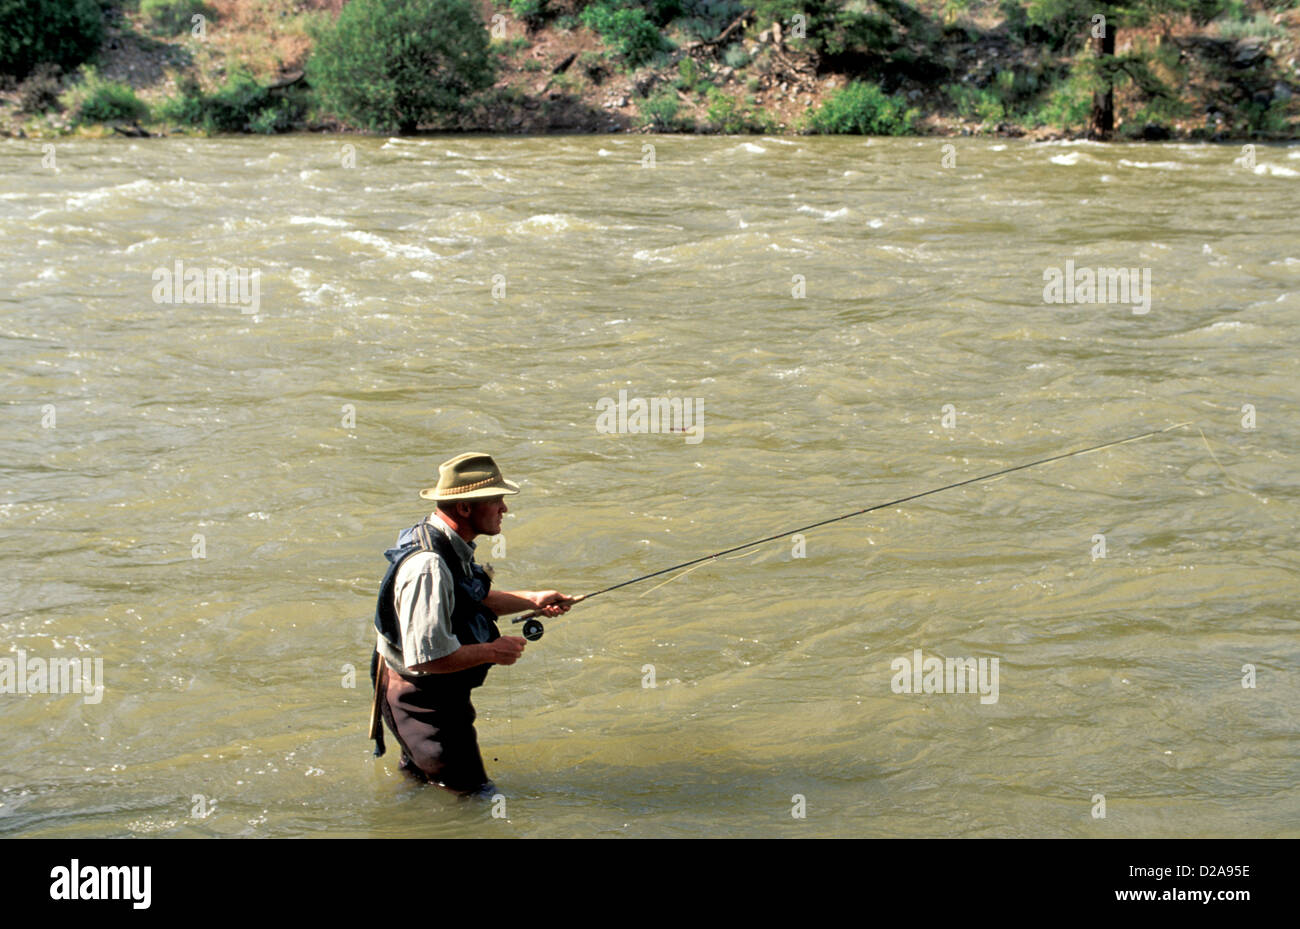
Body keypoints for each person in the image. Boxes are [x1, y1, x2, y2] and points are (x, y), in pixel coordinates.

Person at [368, 452, 571, 795]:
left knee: (426, 784)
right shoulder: (428, 566)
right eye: (496, 500)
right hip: (420, 698)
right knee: (473, 797)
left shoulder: (447, 543)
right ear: (464, 508)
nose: (504, 509)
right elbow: (427, 658)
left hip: (431, 691)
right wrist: (493, 651)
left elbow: (471, 598)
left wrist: (533, 600)